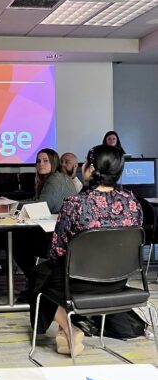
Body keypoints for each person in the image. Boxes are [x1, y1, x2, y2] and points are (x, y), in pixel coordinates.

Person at [29, 145, 143, 356]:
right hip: (119, 280)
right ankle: (69, 328)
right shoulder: (133, 202)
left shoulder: (75, 204)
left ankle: (70, 328)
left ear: (90, 169)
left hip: (79, 283)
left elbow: (57, 253)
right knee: (45, 276)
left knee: (39, 276)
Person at [13, 148, 77, 282]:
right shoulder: (60, 177)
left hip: (56, 239)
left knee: (16, 240)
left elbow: (43, 206)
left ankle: (37, 282)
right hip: (64, 236)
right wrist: (14, 203)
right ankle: (36, 282)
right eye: (38, 161)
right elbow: (37, 200)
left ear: (54, 162)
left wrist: (14, 206)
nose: (41, 164)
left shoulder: (55, 179)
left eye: (45, 161)